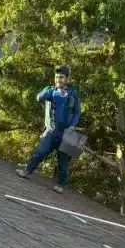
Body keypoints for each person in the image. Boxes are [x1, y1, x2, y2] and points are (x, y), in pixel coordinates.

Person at [17, 65, 81, 193]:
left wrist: (73, 125)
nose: (59, 80)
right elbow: (39, 98)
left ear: (67, 79)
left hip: (66, 133)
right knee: (40, 152)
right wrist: (50, 90)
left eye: (62, 77)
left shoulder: (73, 93)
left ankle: (61, 185)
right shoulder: (51, 91)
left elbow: (77, 112)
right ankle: (27, 171)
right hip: (51, 130)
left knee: (63, 162)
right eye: (57, 77)